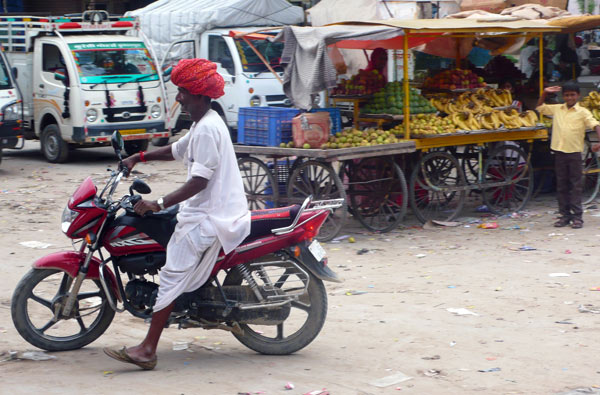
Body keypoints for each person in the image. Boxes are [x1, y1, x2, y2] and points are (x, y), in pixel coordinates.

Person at [103, 58, 250, 369]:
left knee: (171, 274)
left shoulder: (208, 128)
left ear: (199, 94)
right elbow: (175, 150)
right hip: (202, 209)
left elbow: (200, 180)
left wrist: (159, 202)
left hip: (211, 215)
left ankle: (147, 350)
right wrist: (138, 156)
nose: (178, 97)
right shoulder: (202, 124)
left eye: (183, 91)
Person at [536, 81, 600, 229]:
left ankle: (577, 217)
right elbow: (540, 107)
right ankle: (564, 215)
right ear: (562, 96)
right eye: (566, 95)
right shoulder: (558, 109)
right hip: (559, 153)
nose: (569, 97)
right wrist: (545, 92)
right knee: (562, 185)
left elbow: (595, 125)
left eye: (572, 95)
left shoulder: (583, 112)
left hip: (574, 154)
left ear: (578, 96)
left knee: (576, 185)